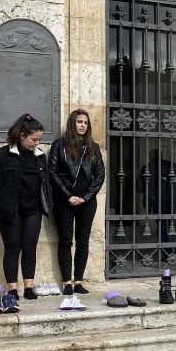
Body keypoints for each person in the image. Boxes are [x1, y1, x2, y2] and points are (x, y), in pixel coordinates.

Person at [0, 114, 52, 312]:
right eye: (34, 139)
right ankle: (12, 288)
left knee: (29, 246)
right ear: (22, 135)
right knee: (12, 247)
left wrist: (47, 202)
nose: (38, 143)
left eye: (39, 139)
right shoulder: (2, 155)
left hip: (33, 209)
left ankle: (28, 287)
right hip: (9, 209)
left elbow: (45, 182)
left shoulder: (40, 156)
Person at [49, 109, 105, 295]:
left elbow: (100, 175)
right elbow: (53, 172)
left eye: (86, 123)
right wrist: (68, 196)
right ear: (72, 123)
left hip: (86, 201)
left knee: (83, 242)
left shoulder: (93, 147)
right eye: (79, 122)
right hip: (64, 201)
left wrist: (86, 197)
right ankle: (66, 282)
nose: (82, 125)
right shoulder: (59, 145)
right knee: (65, 241)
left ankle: (78, 281)